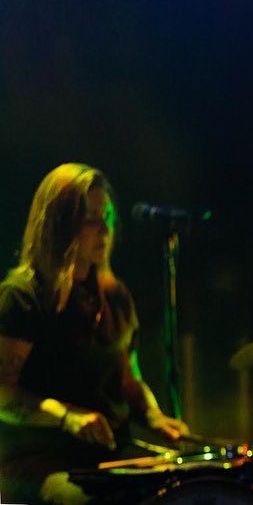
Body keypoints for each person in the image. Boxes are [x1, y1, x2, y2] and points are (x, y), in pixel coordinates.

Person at [0, 163, 190, 504]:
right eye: (90, 218)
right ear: (59, 223)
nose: (104, 229)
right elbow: (3, 394)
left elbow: (129, 380)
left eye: (108, 217)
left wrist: (155, 416)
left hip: (110, 457)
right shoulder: (22, 297)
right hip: (40, 464)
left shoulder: (114, 296)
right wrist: (67, 417)